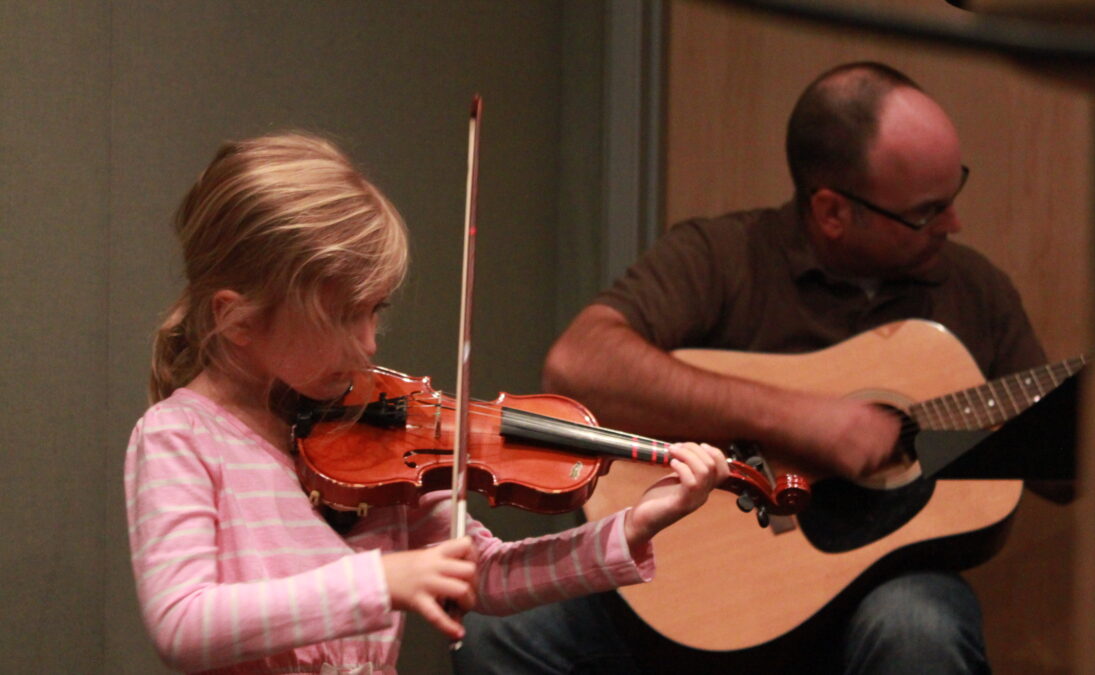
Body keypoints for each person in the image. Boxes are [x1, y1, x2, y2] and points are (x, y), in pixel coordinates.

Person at [452, 62, 1050, 674]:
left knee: (920, 629)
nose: (954, 224)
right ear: (832, 211)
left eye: (954, 195)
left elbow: (1068, 460)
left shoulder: (975, 291)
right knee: (499, 636)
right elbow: (579, 364)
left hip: (882, 592)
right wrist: (798, 419)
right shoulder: (723, 257)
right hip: (697, 579)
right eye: (927, 212)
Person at [124, 132, 731, 674]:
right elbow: (183, 625)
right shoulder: (180, 438)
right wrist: (378, 581)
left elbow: (484, 575)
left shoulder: (374, 431)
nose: (366, 345)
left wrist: (628, 529)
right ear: (237, 319)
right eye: (341, 317)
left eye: (375, 311)